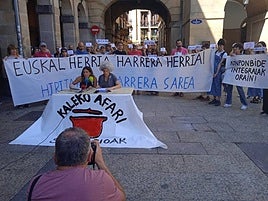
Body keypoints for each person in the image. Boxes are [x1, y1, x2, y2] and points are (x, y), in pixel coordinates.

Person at [27, 127, 126, 201]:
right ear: (89, 156)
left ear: (55, 158)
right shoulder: (102, 180)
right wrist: (101, 163)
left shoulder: (36, 183)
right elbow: (122, 196)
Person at [223, 42, 248, 110]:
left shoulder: (243, 57)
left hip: (238, 76)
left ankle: (244, 103)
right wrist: (232, 53)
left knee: (240, 89)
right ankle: (228, 102)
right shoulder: (232, 56)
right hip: (231, 75)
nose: (235, 50)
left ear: (240, 49)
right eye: (234, 49)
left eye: (236, 49)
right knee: (229, 89)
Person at [208, 39, 227, 106]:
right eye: (219, 45)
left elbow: (220, 63)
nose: (219, 47)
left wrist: (216, 73)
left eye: (221, 46)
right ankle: (214, 98)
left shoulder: (224, 54)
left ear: (223, 46)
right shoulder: (215, 52)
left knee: (217, 85)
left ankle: (218, 100)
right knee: (213, 85)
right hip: (212, 70)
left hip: (218, 71)